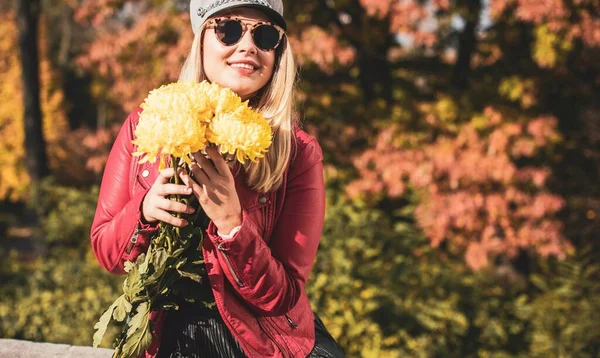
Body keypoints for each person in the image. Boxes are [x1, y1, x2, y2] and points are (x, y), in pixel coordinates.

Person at [90, 0, 344, 357]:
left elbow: (283, 295)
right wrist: (144, 212)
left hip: (261, 340)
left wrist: (232, 226)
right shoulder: (145, 122)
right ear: (201, 40)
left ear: (277, 54)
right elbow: (107, 252)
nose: (247, 46)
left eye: (265, 35)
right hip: (165, 334)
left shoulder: (298, 152)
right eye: (229, 29)